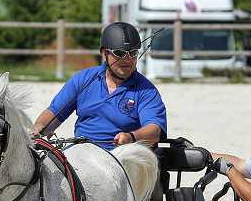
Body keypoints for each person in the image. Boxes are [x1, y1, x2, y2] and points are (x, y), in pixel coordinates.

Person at [33, 22, 167, 149]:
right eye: (120, 53)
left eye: (133, 53)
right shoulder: (82, 79)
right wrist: (38, 130)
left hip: (124, 156)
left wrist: (131, 137)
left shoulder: (146, 90)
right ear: (104, 54)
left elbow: (155, 131)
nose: (127, 59)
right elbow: (54, 113)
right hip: (82, 154)